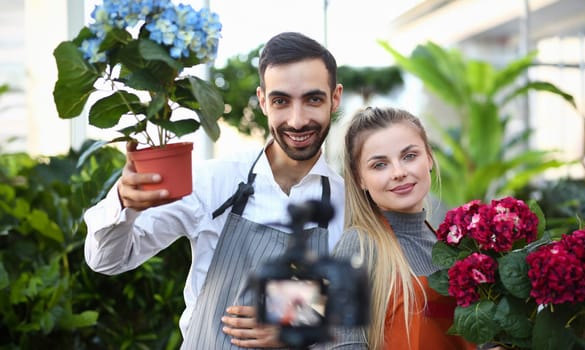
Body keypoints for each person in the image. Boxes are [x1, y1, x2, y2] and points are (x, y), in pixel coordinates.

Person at [83, 31, 344, 349]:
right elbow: (109, 261)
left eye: (313, 99)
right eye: (281, 101)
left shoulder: (349, 203)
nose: (297, 119)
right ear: (263, 101)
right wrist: (123, 201)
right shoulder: (210, 181)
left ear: (335, 98)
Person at [322, 107, 475, 349]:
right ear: (360, 178)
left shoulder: (449, 247)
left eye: (409, 156)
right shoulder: (359, 246)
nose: (399, 172)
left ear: (429, 158)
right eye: (380, 165)